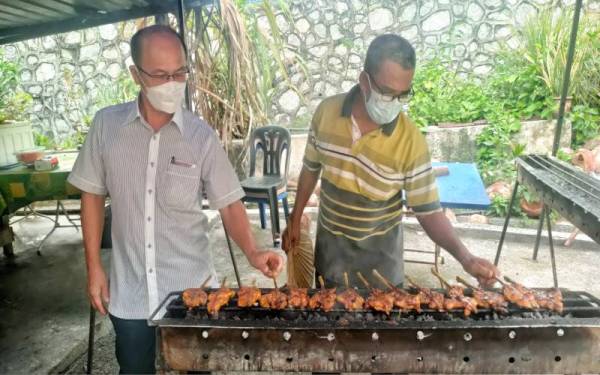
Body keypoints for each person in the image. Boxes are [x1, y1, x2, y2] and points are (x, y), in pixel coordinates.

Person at [68, 25, 283, 374]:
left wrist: (253, 252)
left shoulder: (201, 136)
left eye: (180, 72)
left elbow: (228, 202)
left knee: (195, 369)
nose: (173, 83)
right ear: (136, 74)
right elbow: (91, 193)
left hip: (191, 291)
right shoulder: (106, 127)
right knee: (135, 369)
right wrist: (93, 266)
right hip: (131, 292)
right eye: (161, 74)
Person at [282, 34, 498, 289]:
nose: (393, 103)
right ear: (364, 81)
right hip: (331, 256)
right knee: (331, 323)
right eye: (386, 92)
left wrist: (466, 258)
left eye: (402, 95)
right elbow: (311, 168)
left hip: (381, 267)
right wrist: (295, 219)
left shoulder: (410, 140)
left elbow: (428, 211)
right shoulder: (326, 113)